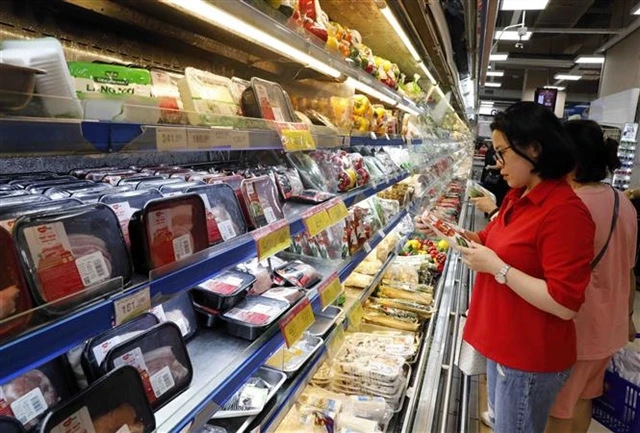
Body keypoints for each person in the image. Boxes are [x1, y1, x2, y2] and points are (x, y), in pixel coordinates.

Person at [425, 102, 595, 433]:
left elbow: (564, 304)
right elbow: (487, 241)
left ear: (534, 148)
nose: (497, 163)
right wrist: (446, 231)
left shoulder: (565, 213)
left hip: (527, 357)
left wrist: (499, 269)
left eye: (502, 152)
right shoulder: (519, 196)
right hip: (506, 345)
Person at [545, 120, 637, 433]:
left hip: (577, 330)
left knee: (557, 409)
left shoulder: (573, 206)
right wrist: (628, 317)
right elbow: (628, 269)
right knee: (584, 399)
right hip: (610, 326)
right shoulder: (622, 201)